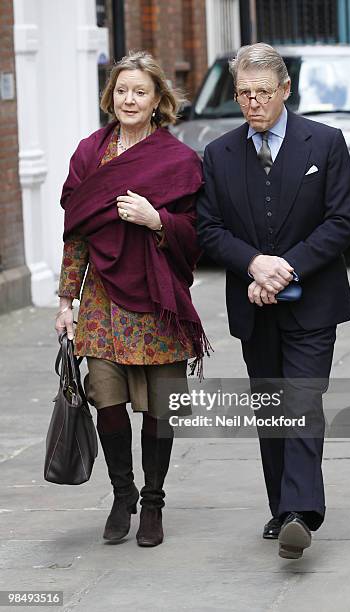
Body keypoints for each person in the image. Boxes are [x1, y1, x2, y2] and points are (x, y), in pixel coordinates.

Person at [197, 43, 350, 559]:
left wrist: (282, 267)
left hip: (313, 303)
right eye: (243, 93)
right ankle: (281, 506)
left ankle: (300, 512)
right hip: (253, 305)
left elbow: (341, 222)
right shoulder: (219, 154)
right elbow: (209, 229)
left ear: (286, 91)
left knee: (303, 401)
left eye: (262, 93)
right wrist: (253, 263)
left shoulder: (326, 143)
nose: (252, 103)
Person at [55, 51, 209, 547]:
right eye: (121, 90)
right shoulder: (88, 155)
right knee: (107, 400)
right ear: (110, 96)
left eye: (139, 91)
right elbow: (75, 234)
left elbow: (198, 235)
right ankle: (123, 494)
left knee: (160, 408)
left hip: (158, 295)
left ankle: (153, 503)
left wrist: (157, 220)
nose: (129, 99)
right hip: (101, 297)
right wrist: (65, 301)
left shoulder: (179, 160)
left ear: (158, 100)